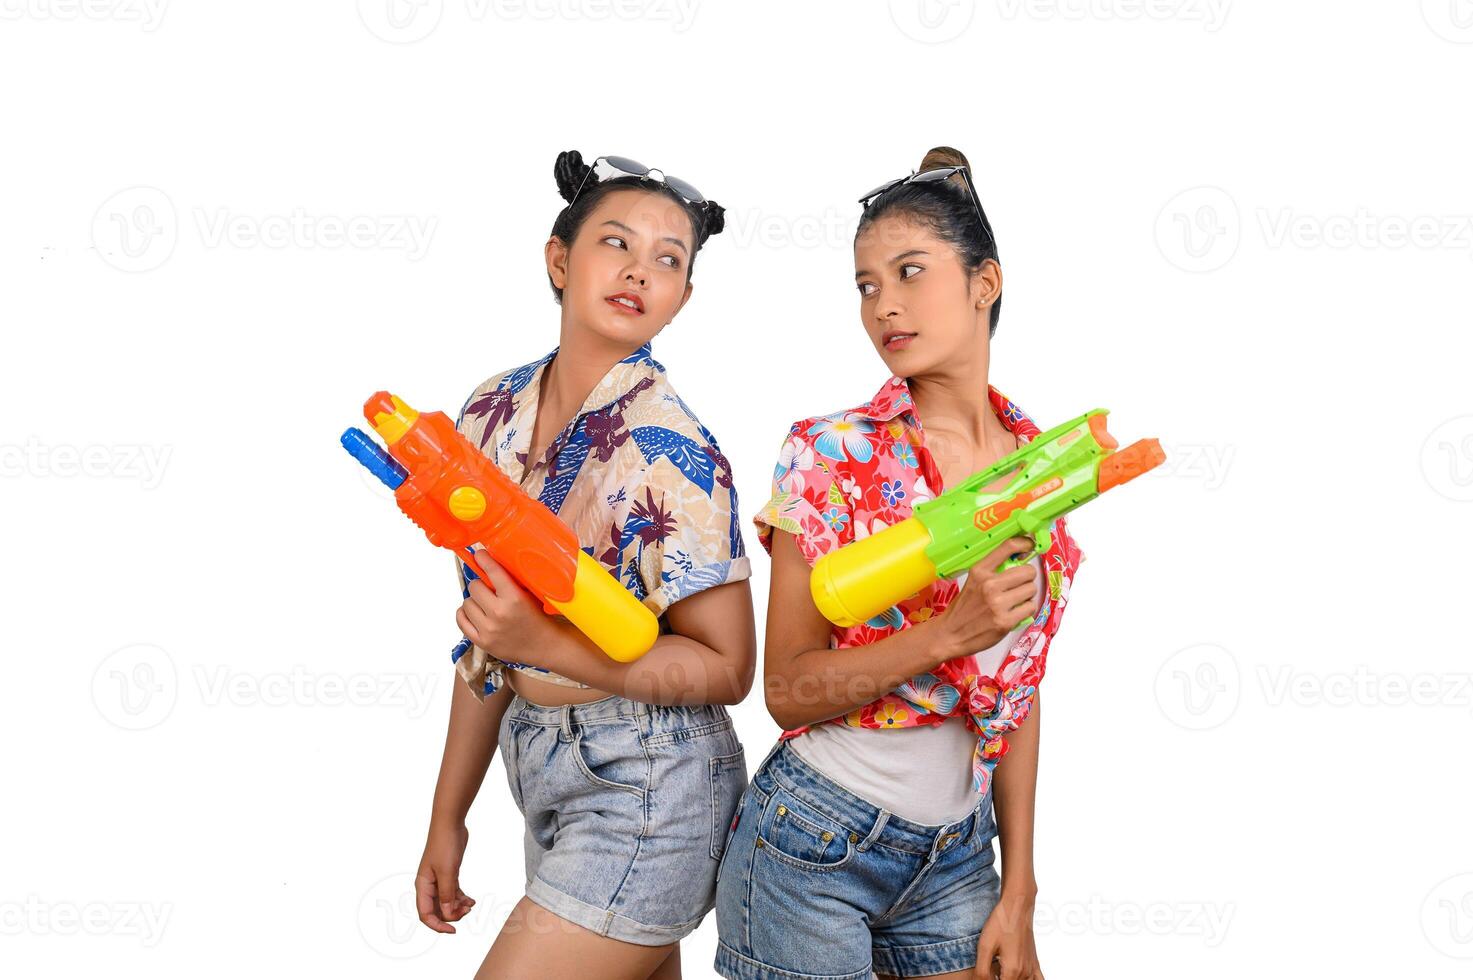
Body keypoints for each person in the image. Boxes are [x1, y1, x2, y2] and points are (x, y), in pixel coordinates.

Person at [714, 146, 1085, 980]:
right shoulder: (829, 454)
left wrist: (1017, 889)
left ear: (984, 283)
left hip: (958, 855)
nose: (884, 306)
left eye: (909, 272)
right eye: (866, 285)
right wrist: (949, 632)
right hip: (810, 842)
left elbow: (1016, 695)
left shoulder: (1039, 468)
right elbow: (787, 691)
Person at [416, 151, 757, 980]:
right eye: (616, 243)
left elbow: (727, 667)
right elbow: (489, 638)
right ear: (559, 259)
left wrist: (544, 639)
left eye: (668, 259)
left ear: (681, 298)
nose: (641, 270)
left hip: (654, 780)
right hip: (541, 772)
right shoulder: (488, 412)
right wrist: (446, 815)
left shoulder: (673, 448)